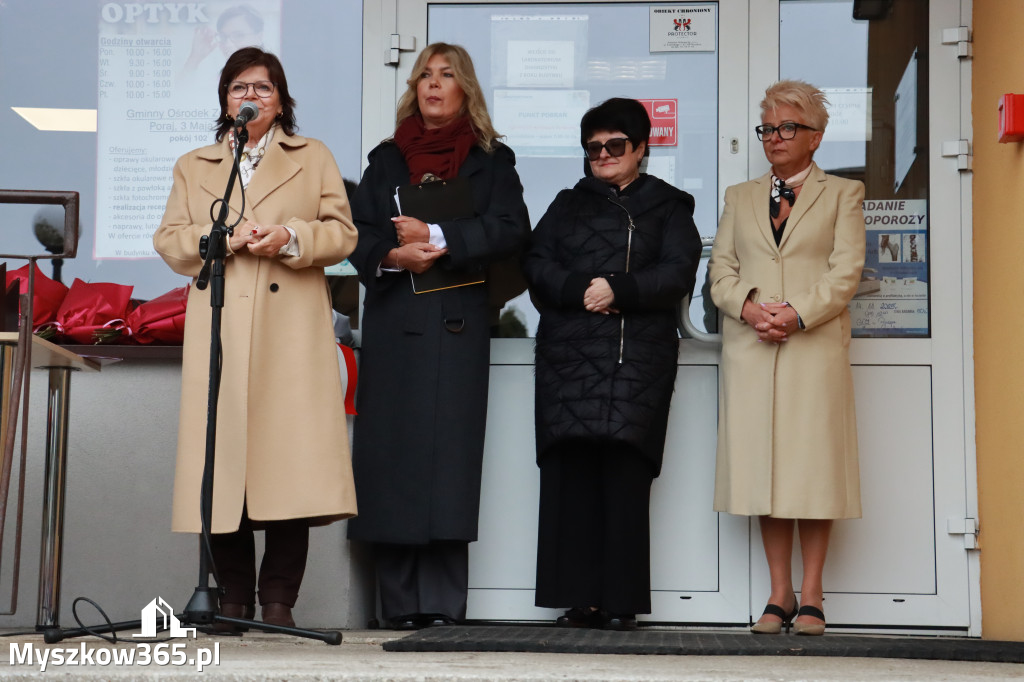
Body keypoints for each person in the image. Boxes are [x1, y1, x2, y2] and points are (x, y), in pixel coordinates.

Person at [153, 47, 358, 630]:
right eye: (240, 87)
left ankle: (278, 605)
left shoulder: (312, 156)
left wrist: (289, 237)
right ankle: (233, 602)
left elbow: (342, 235)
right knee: (221, 468)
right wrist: (223, 239)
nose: (251, 97)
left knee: (287, 470)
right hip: (222, 328)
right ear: (225, 99)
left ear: (281, 99)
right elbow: (170, 240)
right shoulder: (195, 164)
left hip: (289, 333)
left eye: (263, 88)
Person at [345, 43, 530, 630]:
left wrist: (441, 234)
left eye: (447, 75)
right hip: (397, 324)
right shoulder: (384, 160)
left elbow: (510, 229)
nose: (433, 84)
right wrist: (396, 254)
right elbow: (356, 235)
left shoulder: (491, 160)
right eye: (425, 74)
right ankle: (397, 607)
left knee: (449, 466)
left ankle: (444, 608)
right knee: (393, 461)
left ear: (465, 89)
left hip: (458, 325)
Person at [523, 98, 702, 631]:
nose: (603, 154)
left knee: (625, 480)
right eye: (594, 147)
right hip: (568, 360)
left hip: (635, 360)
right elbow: (536, 265)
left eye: (615, 145)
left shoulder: (671, 205)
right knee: (570, 479)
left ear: (641, 148)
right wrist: (586, 290)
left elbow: (678, 273)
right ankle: (578, 602)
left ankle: (619, 603)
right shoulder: (565, 203)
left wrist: (619, 289)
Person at [708, 80, 866, 636]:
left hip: (812, 348)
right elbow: (720, 271)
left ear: (815, 137)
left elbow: (845, 273)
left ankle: (814, 593)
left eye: (787, 128)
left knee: (813, 471)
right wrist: (750, 308)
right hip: (753, 350)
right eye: (768, 128)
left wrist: (796, 313)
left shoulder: (844, 194)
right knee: (765, 474)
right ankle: (779, 594)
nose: (774, 138)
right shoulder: (739, 196)